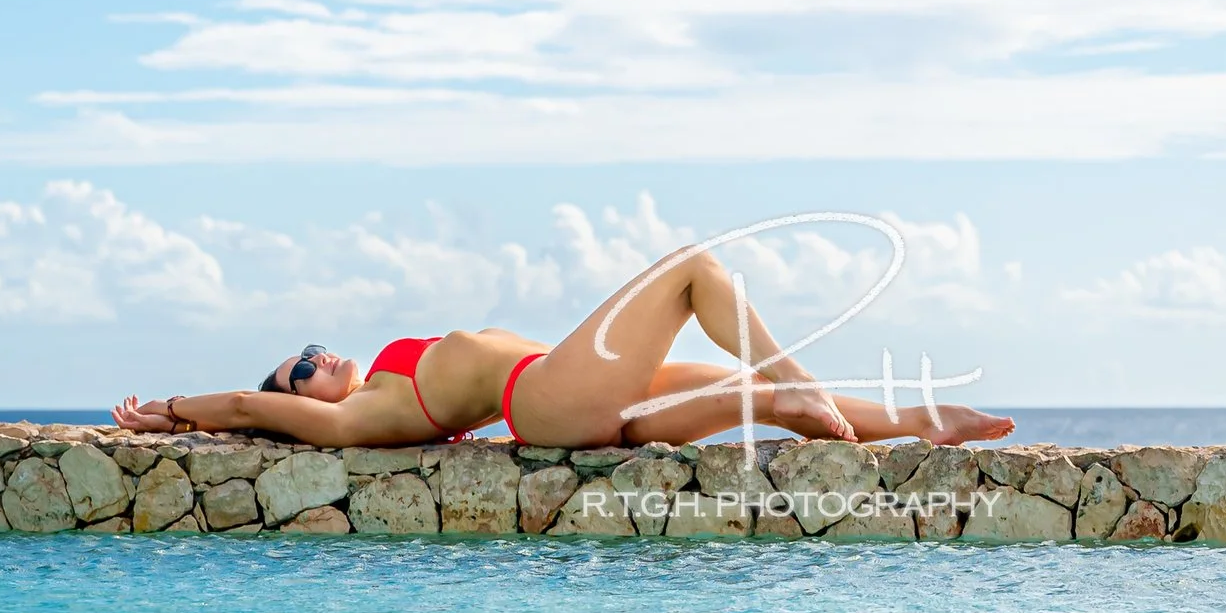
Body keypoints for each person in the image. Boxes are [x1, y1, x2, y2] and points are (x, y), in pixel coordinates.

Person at [112, 243, 1014, 450]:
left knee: (754, 394)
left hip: (565, 399)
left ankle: (920, 424)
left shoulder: (368, 396)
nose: (319, 357)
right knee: (695, 268)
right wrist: (168, 412)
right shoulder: (357, 417)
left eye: (312, 347)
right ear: (298, 400)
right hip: (543, 399)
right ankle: (803, 380)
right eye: (299, 366)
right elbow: (237, 405)